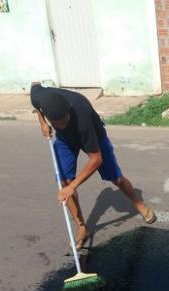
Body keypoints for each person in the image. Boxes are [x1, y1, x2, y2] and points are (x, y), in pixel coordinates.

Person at [30, 82, 156, 250]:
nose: (62, 125)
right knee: (63, 182)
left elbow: (96, 159)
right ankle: (81, 227)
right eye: (56, 122)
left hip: (94, 136)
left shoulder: (82, 117)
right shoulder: (40, 97)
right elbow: (36, 98)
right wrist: (42, 122)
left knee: (115, 178)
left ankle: (138, 203)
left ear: (68, 110)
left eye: (65, 119)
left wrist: (73, 186)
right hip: (65, 140)